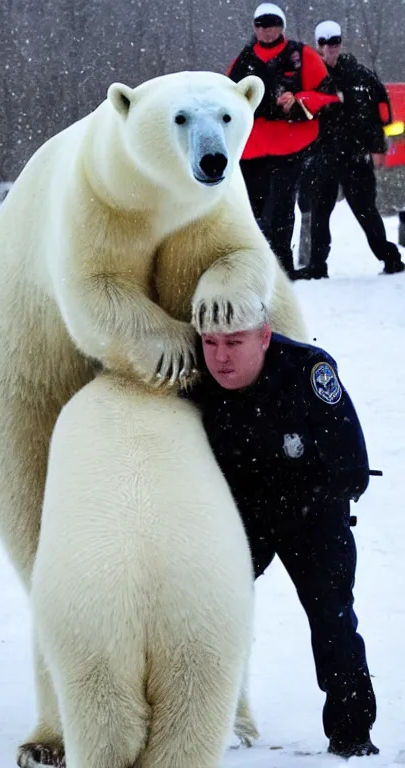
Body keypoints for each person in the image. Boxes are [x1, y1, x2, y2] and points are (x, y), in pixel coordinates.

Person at [183, 300, 379, 758]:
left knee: (333, 619)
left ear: (265, 337)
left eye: (234, 343)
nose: (221, 357)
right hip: (239, 516)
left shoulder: (307, 372)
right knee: (198, 610)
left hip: (312, 513)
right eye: (210, 343)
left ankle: (353, 735)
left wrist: (302, 495)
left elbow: (352, 467)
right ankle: (193, 723)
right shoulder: (195, 380)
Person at [226, 3, 339, 278]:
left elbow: (329, 97)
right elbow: (227, 99)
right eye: (262, 25)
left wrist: (298, 101)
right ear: (255, 28)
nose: (267, 30)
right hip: (251, 150)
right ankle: (257, 267)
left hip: (290, 146)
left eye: (273, 24)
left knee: (280, 209)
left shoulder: (302, 55)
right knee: (253, 212)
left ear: (282, 26)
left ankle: (282, 266)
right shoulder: (243, 60)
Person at [295, 20, 405, 279]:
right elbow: (298, 114)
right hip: (322, 157)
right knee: (319, 214)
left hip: (356, 158)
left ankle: (391, 259)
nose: (329, 48)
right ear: (317, 45)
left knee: (367, 212)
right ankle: (316, 266)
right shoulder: (309, 76)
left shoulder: (361, 75)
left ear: (340, 43)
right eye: (324, 43)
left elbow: (382, 112)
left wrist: (378, 148)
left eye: (334, 42)